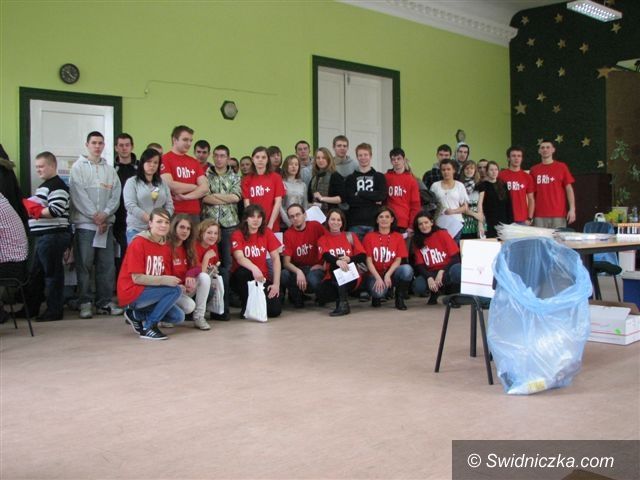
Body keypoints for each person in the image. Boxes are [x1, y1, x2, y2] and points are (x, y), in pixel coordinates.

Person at [69, 131, 123, 319]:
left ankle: (104, 302)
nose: (97, 146)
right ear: (87, 145)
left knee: (106, 265)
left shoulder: (110, 170)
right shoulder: (78, 168)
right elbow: (78, 195)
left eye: (100, 143)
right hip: (86, 226)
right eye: (94, 143)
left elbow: (115, 195)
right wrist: (95, 216)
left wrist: (105, 214)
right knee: (84, 265)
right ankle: (85, 302)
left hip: (105, 227)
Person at [117, 208, 185, 341]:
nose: (163, 225)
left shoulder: (166, 246)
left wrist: (175, 282)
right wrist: (165, 280)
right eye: (159, 221)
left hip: (151, 291)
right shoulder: (138, 243)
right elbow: (137, 278)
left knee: (178, 317)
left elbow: (165, 273)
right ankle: (149, 327)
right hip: (132, 291)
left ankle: (136, 315)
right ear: (150, 223)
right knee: (174, 291)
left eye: (166, 222)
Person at [23, 152, 71, 321]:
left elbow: (55, 210)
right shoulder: (45, 186)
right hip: (45, 236)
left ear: (52, 166)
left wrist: (34, 210)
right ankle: (31, 308)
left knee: (52, 275)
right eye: (37, 167)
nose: (38, 170)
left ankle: (54, 311)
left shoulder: (57, 186)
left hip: (53, 235)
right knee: (36, 274)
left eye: (42, 166)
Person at [201, 144, 241, 321]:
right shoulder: (205, 175)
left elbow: (236, 197)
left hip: (229, 225)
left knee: (227, 265)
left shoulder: (235, 176)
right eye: (216, 155)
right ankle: (207, 305)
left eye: (222, 156)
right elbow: (204, 197)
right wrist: (225, 198)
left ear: (228, 158)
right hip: (208, 226)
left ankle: (223, 308)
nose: (219, 158)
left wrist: (214, 197)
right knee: (208, 264)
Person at [230, 205, 282, 319]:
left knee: (274, 311)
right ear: (246, 219)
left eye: (259, 217)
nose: (256, 220)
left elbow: (275, 258)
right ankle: (246, 305)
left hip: (262, 278)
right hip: (242, 277)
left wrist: (276, 284)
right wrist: (254, 268)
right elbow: (239, 257)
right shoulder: (237, 234)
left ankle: (255, 305)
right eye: (252, 217)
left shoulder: (267, 232)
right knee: (243, 272)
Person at [316, 208, 366, 317]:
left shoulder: (350, 236)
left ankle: (343, 304)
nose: (336, 222)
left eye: (339, 220)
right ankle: (340, 298)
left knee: (338, 267)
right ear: (328, 221)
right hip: (331, 278)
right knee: (321, 292)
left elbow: (362, 256)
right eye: (333, 219)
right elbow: (325, 255)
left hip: (351, 276)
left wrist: (349, 259)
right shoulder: (323, 239)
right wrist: (337, 261)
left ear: (342, 222)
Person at [363, 207, 413, 310]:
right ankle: (376, 297)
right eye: (381, 217)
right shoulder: (369, 237)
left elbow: (398, 260)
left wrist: (388, 274)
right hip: (375, 274)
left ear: (392, 220)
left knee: (407, 269)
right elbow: (368, 261)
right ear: (377, 220)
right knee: (379, 293)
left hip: (391, 273)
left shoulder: (398, 237)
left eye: (387, 217)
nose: (384, 219)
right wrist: (378, 278)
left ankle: (399, 298)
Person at [166, 215, 209, 330]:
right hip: (170, 289)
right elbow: (164, 274)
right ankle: (164, 316)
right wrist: (178, 285)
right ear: (174, 227)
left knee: (204, 277)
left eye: (188, 228)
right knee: (189, 306)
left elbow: (198, 267)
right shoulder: (166, 246)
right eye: (182, 227)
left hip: (185, 288)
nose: (185, 231)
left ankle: (199, 317)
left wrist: (190, 275)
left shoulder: (189, 245)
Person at [123, 148, 174, 244]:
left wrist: (162, 220)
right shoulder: (132, 182)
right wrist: (151, 219)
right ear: (142, 163)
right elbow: (130, 205)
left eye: (155, 162)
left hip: (158, 231)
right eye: (149, 161)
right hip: (137, 229)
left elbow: (169, 205)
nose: (152, 165)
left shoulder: (162, 183)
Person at [160, 125, 209, 225]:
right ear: (175, 140)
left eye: (191, 140)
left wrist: (186, 197)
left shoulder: (194, 162)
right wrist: (195, 187)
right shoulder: (165, 159)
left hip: (194, 213)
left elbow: (205, 188)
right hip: (174, 212)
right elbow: (170, 185)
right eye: (185, 140)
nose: (189, 143)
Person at [281, 204, 326, 308]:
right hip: (299, 269)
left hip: (315, 268)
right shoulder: (288, 234)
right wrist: (298, 271)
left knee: (313, 279)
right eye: (292, 216)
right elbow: (286, 263)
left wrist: (323, 265)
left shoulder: (315, 226)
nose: (295, 218)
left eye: (298, 215)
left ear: (305, 215)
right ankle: (296, 297)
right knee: (284, 274)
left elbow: (329, 243)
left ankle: (322, 296)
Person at [411, 212, 461, 304]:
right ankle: (435, 292)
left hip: (446, 270)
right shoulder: (416, 240)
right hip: (431, 272)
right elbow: (419, 264)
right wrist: (429, 277)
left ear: (431, 222)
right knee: (418, 286)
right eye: (420, 224)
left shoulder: (442, 233)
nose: (424, 226)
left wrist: (442, 271)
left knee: (458, 269)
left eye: (426, 222)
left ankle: (454, 296)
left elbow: (455, 258)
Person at [344, 143, 387, 240]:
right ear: (357, 157)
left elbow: (382, 196)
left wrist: (360, 193)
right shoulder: (351, 178)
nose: (363, 158)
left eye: (366, 155)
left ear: (370, 156)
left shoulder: (379, 176)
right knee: (355, 249)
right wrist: (373, 200)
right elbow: (350, 200)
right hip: (355, 223)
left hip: (374, 222)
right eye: (360, 155)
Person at [531, 140, 576, 228]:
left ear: (553, 150)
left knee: (558, 237)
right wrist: (529, 214)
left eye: (548, 147)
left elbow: (569, 189)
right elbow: (530, 194)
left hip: (558, 214)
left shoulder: (562, 167)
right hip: (539, 214)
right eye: (542, 148)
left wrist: (572, 209)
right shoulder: (533, 170)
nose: (545, 149)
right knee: (539, 237)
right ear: (539, 151)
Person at [242, 146, 285, 232]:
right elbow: (247, 204)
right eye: (257, 157)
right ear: (252, 159)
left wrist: (271, 223)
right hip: (254, 225)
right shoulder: (246, 180)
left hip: (272, 224)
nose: (260, 160)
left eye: (263, 157)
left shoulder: (276, 178)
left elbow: (278, 202)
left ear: (268, 159)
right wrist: (254, 222)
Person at [429, 159, 469, 243]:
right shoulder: (435, 186)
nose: (446, 172)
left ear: (454, 170)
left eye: (448, 169)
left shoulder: (460, 186)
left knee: (453, 247)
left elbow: (465, 207)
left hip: (456, 222)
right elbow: (431, 204)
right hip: (439, 222)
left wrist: (453, 211)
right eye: (443, 170)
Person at [113, 133, 137, 266]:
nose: (124, 148)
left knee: (135, 255)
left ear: (132, 146)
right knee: (120, 256)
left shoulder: (140, 168)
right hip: (118, 220)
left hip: (137, 219)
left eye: (127, 145)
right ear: (116, 148)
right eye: (121, 145)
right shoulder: (111, 169)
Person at [384, 148, 420, 233]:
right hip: (387, 221)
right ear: (391, 161)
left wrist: (411, 225)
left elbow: (415, 205)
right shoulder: (385, 177)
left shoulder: (412, 180)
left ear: (404, 159)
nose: (396, 161)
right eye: (393, 159)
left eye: (399, 158)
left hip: (403, 223)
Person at [195, 219, 223, 327]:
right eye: (209, 232)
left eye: (215, 233)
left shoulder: (213, 246)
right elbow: (200, 273)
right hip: (191, 284)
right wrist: (206, 258)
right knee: (205, 278)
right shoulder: (195, 246)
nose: (213, 236)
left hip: (205, 283)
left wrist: (214, 268)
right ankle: (198, 316)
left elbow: (216, 263)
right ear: (201, 233)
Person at [498, 146, 535, 225]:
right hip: (505, 217)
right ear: (508, 158)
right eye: (513, 156)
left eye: (519, 156)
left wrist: (530, 218)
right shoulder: (501, 175)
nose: (516, 158)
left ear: (522, 158)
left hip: (522, 219)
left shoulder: (527, 177)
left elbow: (531, 199)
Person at [477, 161, 513, 238]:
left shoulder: (503, 185)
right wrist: (481, 223)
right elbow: (480, 205)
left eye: (496, 169)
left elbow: (509, 205)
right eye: (491, 170)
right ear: (487, 171)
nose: (494, 172)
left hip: (504, 221)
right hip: (489, 221)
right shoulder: (483, 185)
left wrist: (511, 223)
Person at [307, 147, 345, 215]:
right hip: (316, 216)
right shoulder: (314, 178)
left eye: (323, 158)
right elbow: (309, 199)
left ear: (329, 159)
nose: (320, 160)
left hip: (331, 216)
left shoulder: (335, 176)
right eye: (318, 158)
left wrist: (322, 198)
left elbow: (341, 199)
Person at [280, 154, 308, 228]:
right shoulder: (281, 183)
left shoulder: (302, 185)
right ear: (286, 166)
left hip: (300, 223)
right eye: (291, 164)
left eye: (296, 164)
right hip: (285, 223)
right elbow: (279, 206)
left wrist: (302, 221)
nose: (294, 166)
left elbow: (305, 206)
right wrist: (288, 222)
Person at [459, 160, 483, 239]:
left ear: (475, 170)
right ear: (463, 170)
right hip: (463, 221)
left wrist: (480, 224)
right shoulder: (459, 185)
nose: (469, 170)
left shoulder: (480, 185)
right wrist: (475, 215)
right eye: (467, 168)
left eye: (472, 168)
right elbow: (460, 206)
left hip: (477, 221)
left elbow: (480, 205)